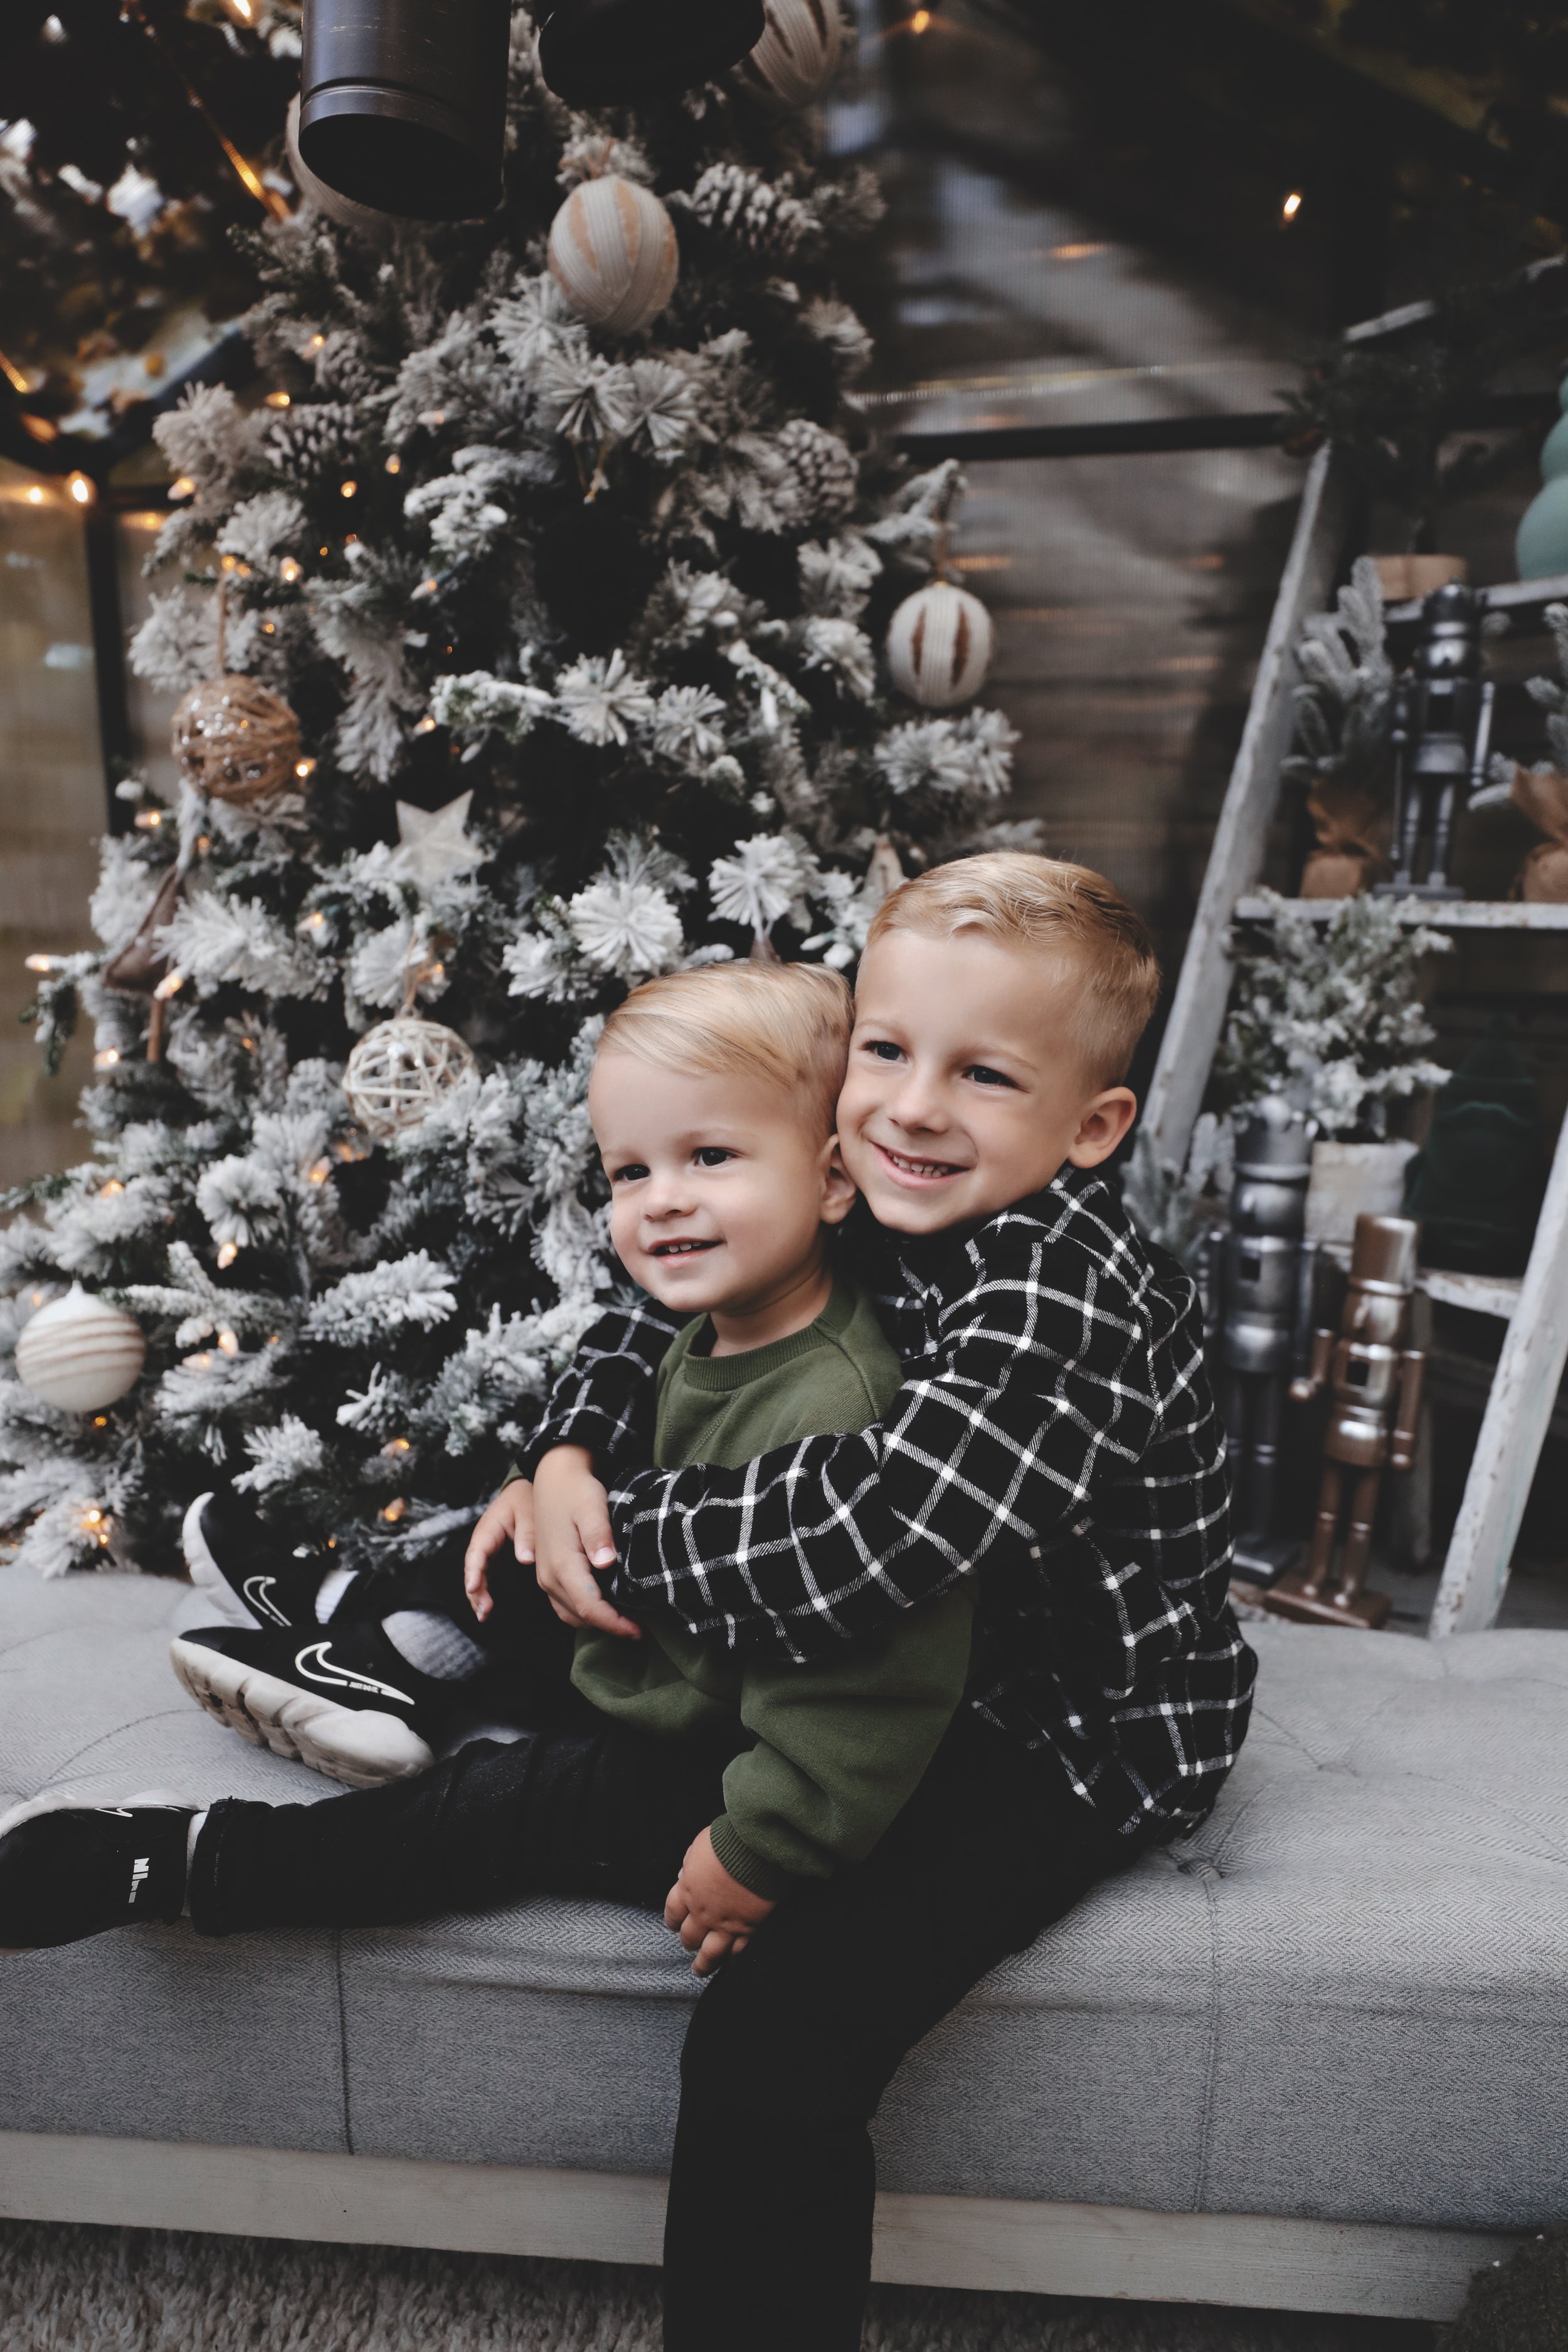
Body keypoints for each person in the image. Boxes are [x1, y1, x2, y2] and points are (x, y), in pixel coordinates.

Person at [1, 850, 1253, 2352]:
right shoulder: (881, 1177)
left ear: (1092, 1126)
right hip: (849, 1654)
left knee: (767, 2035)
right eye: (885, 1049)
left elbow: (868, 1543)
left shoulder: (1059, 1290)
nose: (915, 1104)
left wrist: (632, 1588)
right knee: (561, 1581)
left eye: (984, 1074)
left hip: (1049, 1730)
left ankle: (283, 1786)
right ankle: (358, 1674)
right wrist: (568, 1451)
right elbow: (658, 1298)